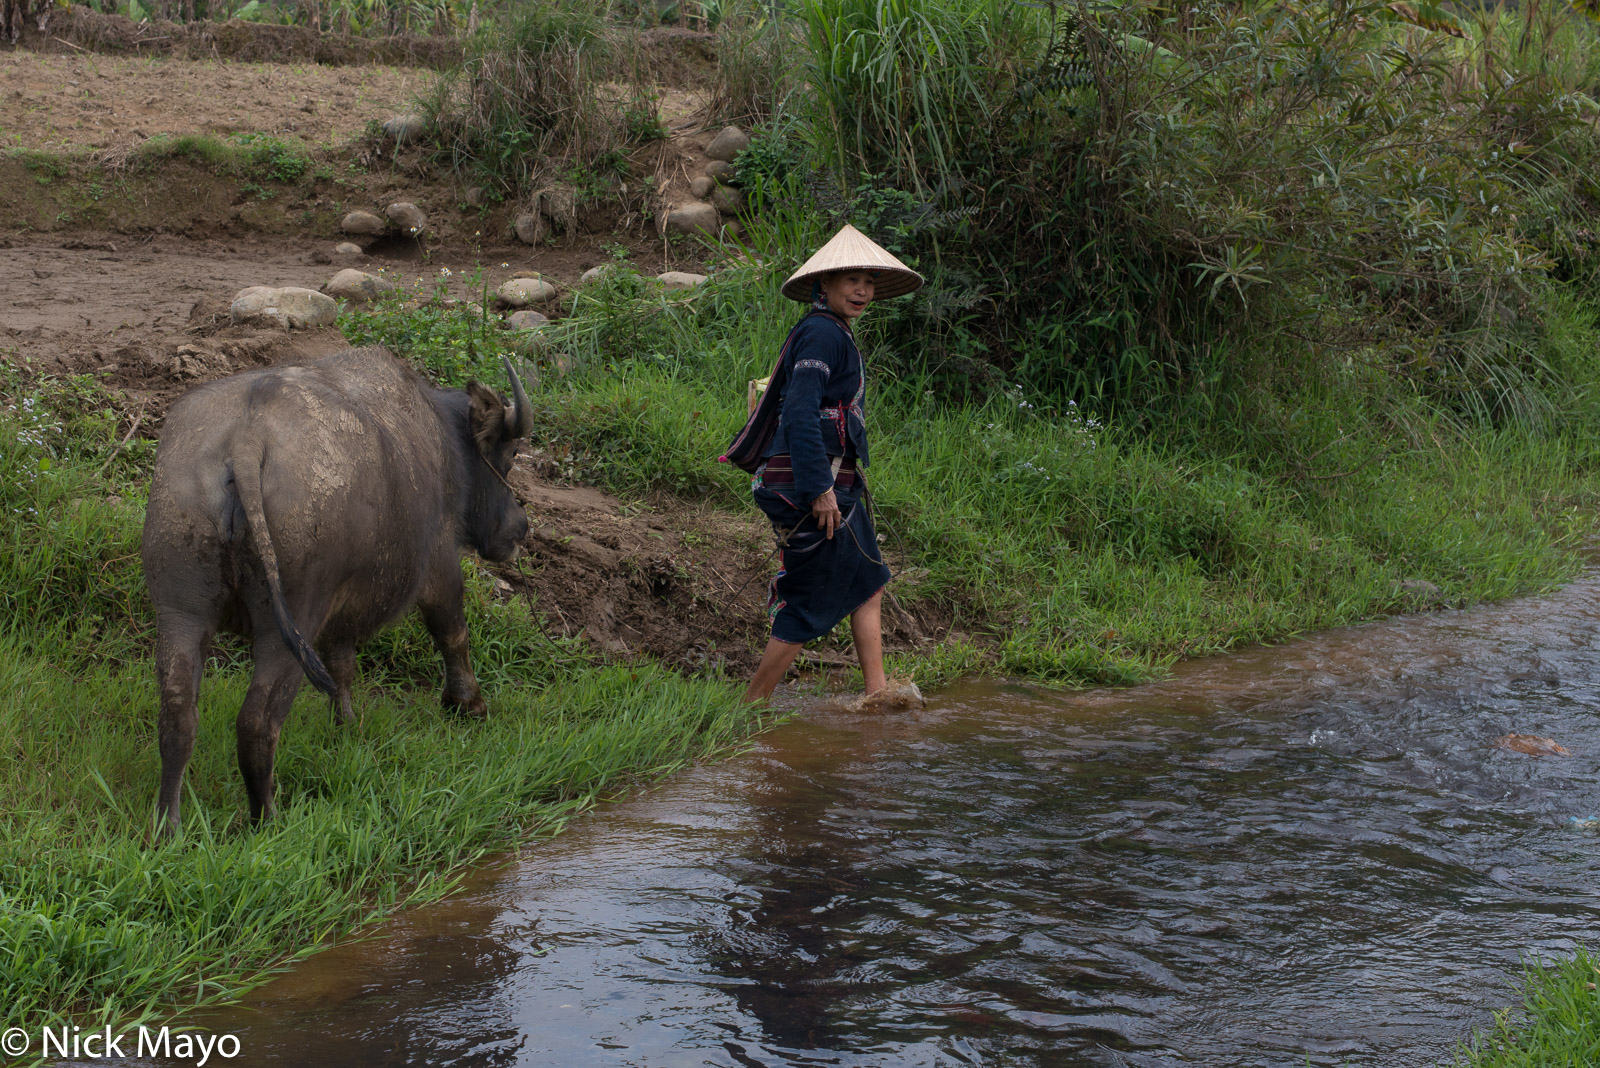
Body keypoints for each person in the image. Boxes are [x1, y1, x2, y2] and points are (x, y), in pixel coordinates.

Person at [722, 224, 923, 703]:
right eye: (851, 280)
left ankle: (876, 695)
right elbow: (799, 410)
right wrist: (819, 489)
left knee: (869, 580)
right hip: (811, 489)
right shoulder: (819, 333)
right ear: (824, 286)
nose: (862, 290)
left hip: (836, 486)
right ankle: (752, 704)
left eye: (869, 282)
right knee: (809, 597)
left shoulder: (833, 331)